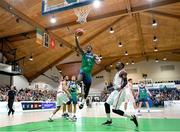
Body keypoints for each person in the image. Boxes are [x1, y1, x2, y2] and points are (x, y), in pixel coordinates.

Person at [102, 62, 138, 127]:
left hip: (120, 91)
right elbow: (116, 84)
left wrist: (120, 87)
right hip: (115, 91)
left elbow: (125, 81)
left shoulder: (123, 72)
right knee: (106, 104)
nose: (116, 64)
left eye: (118, 64)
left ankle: (132, 117)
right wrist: (109, 89)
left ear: (121, 66)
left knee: (115, 110)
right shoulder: (117, 73)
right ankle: (109, 120)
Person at [75, 35, 101, 109]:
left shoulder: (93, 55)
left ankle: (83, 102)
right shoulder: (84, 53)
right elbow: (79, 47)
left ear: (91, 49)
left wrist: (98, 60)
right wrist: (76, 38)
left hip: (88, 74)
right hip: (83, 71)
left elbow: (98, 60)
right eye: (87, 47)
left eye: (89, 47)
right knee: (78, 80)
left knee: (87, 91)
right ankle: (77, 88)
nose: (87, 48)